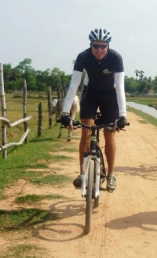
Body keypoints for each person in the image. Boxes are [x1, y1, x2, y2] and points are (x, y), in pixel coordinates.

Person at [60, 28, 127, 193]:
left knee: (109, 133)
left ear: (108, 46)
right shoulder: (83, 57)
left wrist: (122, 115)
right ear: (90, 45)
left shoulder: (115, 58)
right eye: (96, 45)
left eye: (103, 46)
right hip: (90, 94)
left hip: (110, 95)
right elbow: (74, 85)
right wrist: (65, 113)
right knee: (86, 132)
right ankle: (82, 173)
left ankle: (111, 174)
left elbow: (119, 87)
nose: (99, 49)